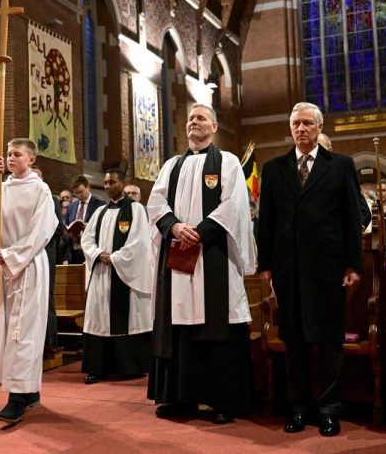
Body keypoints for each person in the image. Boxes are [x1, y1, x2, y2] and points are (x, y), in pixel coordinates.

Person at [147, 103, 255, 425]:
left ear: (214, 126)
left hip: (212, 255)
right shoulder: (171, 165)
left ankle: (219, 399)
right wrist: (174, 227)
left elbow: (233, 204)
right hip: (179, 253)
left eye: (201, 118)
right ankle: (179, 398)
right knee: (177, 323)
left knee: (215, 323)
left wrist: (201, 231)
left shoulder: (228, 162)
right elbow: (155, 201)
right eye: (191, 118)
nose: (194, 122)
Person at [259, 103, 362, 437]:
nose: (301, 129)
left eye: (307, 123)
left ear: (319, 127)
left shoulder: (341, 166)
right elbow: (267, 221)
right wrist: (266, 265)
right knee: (295, 342)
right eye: (295, 124)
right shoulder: (274, 169)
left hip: (328, 267)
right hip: (288, 269)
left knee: (330, 342)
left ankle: (329, 410)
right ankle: (300, 407)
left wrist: (353, 265)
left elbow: (351, 218)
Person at [0, 138, 58, 424]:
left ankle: (18, 397)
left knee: (24, 330)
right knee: (7, 327)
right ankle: (27, 392)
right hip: (4, 265)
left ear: (31, 159)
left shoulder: (40, 189)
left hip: (28, 265)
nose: (10, 158)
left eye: (16, 154)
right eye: (8, 154)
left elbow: (41, 231)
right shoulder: (4, 189)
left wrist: (9, 254)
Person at [80, 168, 152, 384]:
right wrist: (98, 254)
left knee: (126, 317)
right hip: (102, 273)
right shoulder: (99, 212)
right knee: (99, 318)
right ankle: (97, 367)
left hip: (123, 275)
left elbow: (139, 241)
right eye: (105, 183)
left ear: (123, 182)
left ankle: (131, 366)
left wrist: (117, 258)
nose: (108, 186)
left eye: (112, 182)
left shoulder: (137, 210)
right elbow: (87, 239)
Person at [33, 166, 67, 347]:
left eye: (37, 176)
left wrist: (37, 236)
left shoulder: (51, 199)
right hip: (28, 256)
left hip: (46, 253)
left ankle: (50, 341)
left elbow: (59, 228)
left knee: (46, 296)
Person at [317, 132, 372, 231]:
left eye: (320, 147)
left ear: (330, 150)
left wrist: (357, 229)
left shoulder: (342, 172)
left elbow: (365, 212)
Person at [64, 175, 106, 264]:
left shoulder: (100, 205)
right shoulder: (71, 207)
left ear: (88, 187)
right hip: (74, 253)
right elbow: (67, 231)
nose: (79, 195)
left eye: (81, 192)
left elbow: (105, 228)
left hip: (91, 251)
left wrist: (89, 227)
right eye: (76, 193)